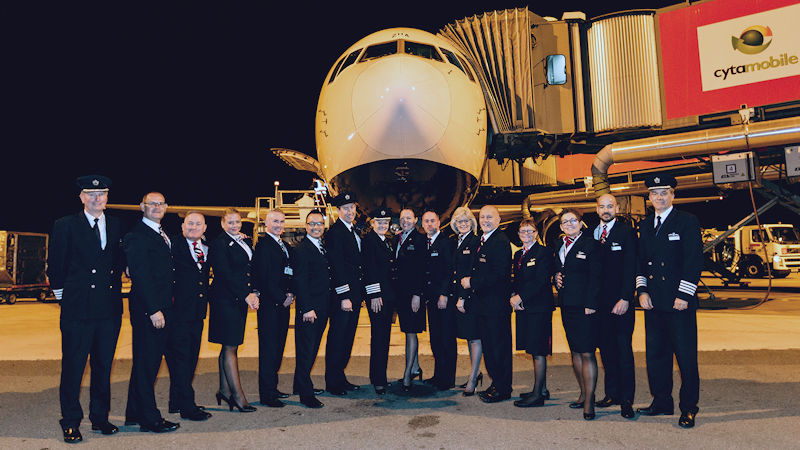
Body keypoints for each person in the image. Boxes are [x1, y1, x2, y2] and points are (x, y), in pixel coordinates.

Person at [47, 175, 125, 443]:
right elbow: (54, 267)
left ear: (107, 198)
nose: (96, 198)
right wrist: (64, 300)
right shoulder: (65, 225)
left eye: (101, 193)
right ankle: (70, 421)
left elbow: (120, 262)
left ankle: (100, 418)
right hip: (77, 311)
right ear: (81, 197)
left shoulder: (116, 225)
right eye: (90, 194)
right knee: (73, 368)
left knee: (103, 367)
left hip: (108, 311)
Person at [635, 174, 703, 429]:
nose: (659, 197)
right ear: (649, 197)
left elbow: (694, 262)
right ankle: (661, 401)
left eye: (664, 192)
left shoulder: (686, 221)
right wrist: (642, 291)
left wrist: (684, 295)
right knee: (656, 355)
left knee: (685, 358)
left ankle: (688, 408)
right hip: (654, 302)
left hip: (678, 303)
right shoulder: (644, 225)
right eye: (655, 193)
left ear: (673, 195)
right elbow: (640, 262)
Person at [123, 192, 180, 432]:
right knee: (148, 364)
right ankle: (150, 419)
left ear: (166, 207)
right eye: (151, 204)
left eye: (160, 204)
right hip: (150, 310)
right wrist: (153, 310)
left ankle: (134, 413)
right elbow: (141, 276)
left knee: (145, 363)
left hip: (162, 306)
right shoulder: (138, 236)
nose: (156, 207)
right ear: (142, 207)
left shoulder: (161, 233)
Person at [208, 208, 259, 413]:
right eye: (230, 222)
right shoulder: (219, 244)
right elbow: (224, 274)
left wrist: (253, 292)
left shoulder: (244, 241)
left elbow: (248, 269)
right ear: (222, 224)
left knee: (230, 345)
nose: (234, 225)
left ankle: (224, 391)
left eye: (237, 222)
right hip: (224, 299)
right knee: (230, 345)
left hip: (238, 299)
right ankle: (238, 396)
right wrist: (246, 295)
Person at [460, 205, 513, 403]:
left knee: (499, 348)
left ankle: (503, 389)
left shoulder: (499, 241)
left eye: (490, 217)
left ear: (499, 220)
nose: (485, 220)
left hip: (496, 307)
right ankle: (497, 384)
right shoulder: (484, 240)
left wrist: (472, 282)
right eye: (482, 217)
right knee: (490, 348)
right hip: (484, 305)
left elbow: (499, 275)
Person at [553, 208, 602, 420]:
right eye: (565, 222)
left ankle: (590, 401)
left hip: (585, 306)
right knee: (574, 350)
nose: (569, 224)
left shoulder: (591, 244)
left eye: (573, 220)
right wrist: (554, 277)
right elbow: (556, 268)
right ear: (561, 226)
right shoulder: (559, 245)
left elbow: (597, 276)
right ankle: (583, 393)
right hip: (567, 305)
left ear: (581, 223)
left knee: (587, 352)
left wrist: (591, 303)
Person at [165, 212, 212, 421]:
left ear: (205, 228)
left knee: (191, 358)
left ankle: (176, 400)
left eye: (198, 224)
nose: (193, 227)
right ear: (182, 226)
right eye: (189, 223)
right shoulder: (173, 245)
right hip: (177, 315)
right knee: (181, 360)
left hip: (197, 313)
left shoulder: (206, 248)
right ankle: (187, 406)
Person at [593, 194, 637, 419]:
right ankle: (612, 394)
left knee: (623, 352)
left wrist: (626, 297)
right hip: (600, 306)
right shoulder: (592, 233)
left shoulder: (626, 232)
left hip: (621, 304)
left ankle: (627, 400)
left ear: (617, 208)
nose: (606, 210)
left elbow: (631, 267)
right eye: (602, 206)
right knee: (607, 351)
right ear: (597, 209)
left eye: (610, 206)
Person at [510, 220, 555, 408]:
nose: (526, 234)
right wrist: (514, 295)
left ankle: (538, 395)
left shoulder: (543, 252)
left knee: (539, 351)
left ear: (536, 233)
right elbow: (517, 279)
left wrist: (521, 297)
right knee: (532, 348)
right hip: (526, 307)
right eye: (522, 231)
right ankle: (541, 389)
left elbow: (541, 280)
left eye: (530, 231)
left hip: (540, 308)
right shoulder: (519, 254)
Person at [324, 192, 364, 396]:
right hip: (344, 297)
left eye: (352, 207)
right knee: (338, 337)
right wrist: (345, 296)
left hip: (354, 295)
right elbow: (337, 266)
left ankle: (340, 377)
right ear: (338, 211)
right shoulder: (335, 233)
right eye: (346, 208)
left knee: (347, 337)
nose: (350, 211)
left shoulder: (352, 230)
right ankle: (332, 381)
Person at [253, 209, 294, 408]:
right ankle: (267, 394)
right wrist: (281, 297)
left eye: (281, 221)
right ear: (266, 224)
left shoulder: (283, 245)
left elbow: (289, 274)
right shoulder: (263, 246)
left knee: (278, 347)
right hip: (270, 306)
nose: (279, 224)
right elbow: (264, 278)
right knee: (268, 349)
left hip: (283, 304)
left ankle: (273, 387)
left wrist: (291, 294)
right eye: (275, 221)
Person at [292, 210, 332, 408]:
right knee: (306, 351)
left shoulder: (321, 246)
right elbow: (300, 280)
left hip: (322, 307)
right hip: (310, 310)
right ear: (306, 226)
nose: (316, 227)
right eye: (312, 224)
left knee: (312, 348)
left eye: (319, 224)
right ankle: (306, 395)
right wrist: (307, 308)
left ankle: (299, 384)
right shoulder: (302, 249)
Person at [361, 207, 396, 395]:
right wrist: (374, 294)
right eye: (379, 222)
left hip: (388, 296)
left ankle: (379, 376)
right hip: (378, 298)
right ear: (372, 224)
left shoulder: (386, 241)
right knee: (379, 338)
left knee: (384, 337)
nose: (383, 225)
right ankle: (378, 380)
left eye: (386, 222)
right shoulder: (369, 241)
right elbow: (369, 269)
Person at [421, 210, 456, 391]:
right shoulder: (425, 243)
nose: (429, 224)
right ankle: (438, 375)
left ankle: (448, 378)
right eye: (426, 221)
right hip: (431, 299)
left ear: (439, 222)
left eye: (432, 221)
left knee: (446, 338)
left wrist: (444, 294)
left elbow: (450, 271)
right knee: (435, 339)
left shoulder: (446, 243)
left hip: (443, 299)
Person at [451, 207, 483, 396]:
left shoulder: (474, 241)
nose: (463, 224)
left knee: (474, 337)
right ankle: (475, 372)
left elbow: (471, 272)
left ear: (472, 223)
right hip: (460, 294)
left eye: (466, 221)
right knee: (469, 337)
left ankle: (473, 379)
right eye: (459, 222)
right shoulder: (458, 241)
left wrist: (463, 297)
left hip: (469, 296)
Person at [394, 208, 426, 390]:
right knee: (408, 331)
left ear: (415, 220)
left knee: (411, 332)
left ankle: (407, 374)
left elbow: (421, 269)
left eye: (408, 218)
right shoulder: (398, 238)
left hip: (413, 295)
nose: (405, 221)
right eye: (402, 218)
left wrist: (417, 295)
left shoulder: (420, 240)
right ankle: (415, 367)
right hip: (401, 294)